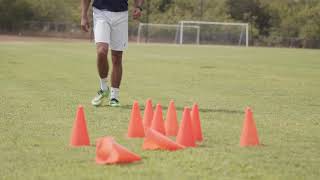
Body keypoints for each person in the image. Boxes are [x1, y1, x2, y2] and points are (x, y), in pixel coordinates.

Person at [81, 0, 144, 107]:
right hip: (100, 13)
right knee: (101, 51)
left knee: (117, 57)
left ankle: (114, 96)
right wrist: (84, 15)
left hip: (121, 15)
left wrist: (138, 7)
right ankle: (104, 88)